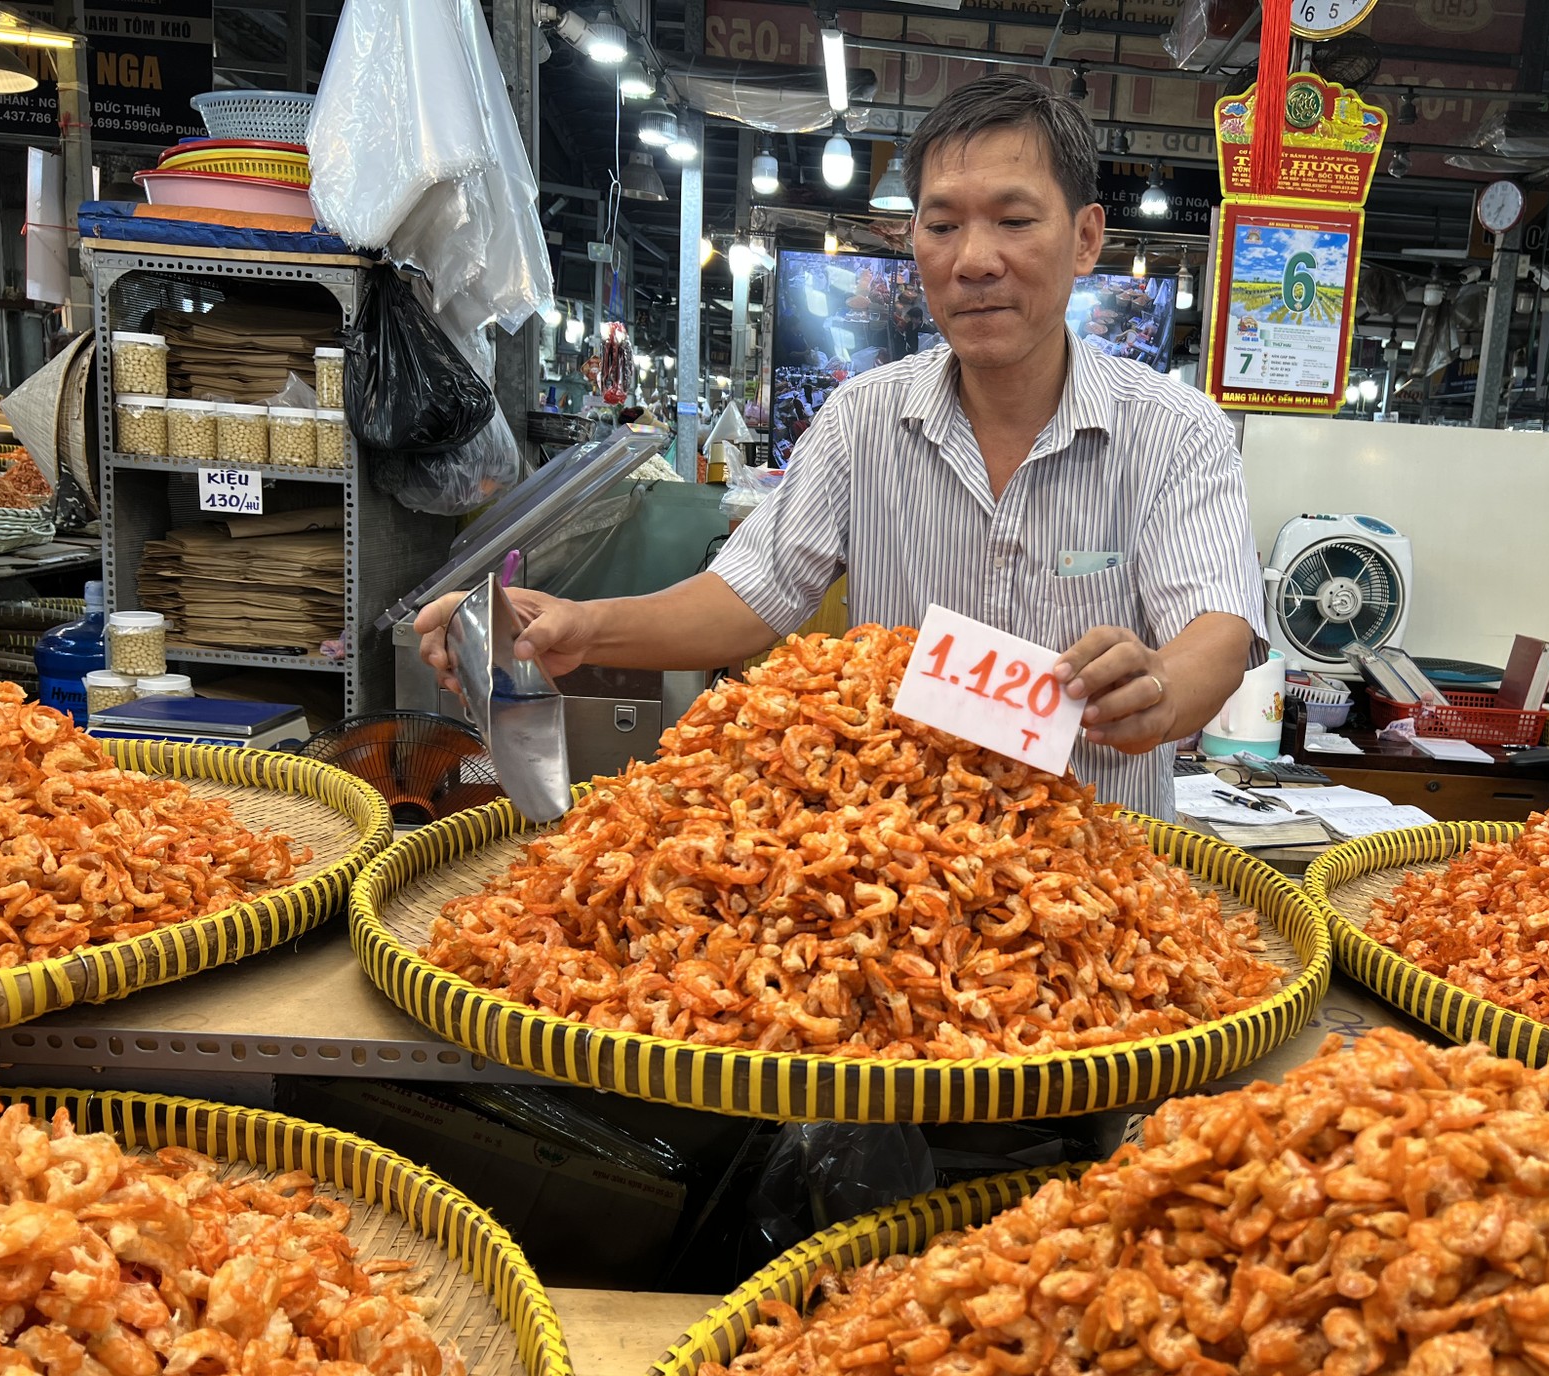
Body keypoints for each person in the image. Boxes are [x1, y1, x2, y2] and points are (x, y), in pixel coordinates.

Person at [417, 74, 1267, 821]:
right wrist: (583, 625)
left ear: (1086, 238)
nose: (975, 260)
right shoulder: (864, 419)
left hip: (1095, 872)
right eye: (942, 226)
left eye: (1014, 219)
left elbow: (1218, 633)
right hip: (894, 864)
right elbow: (749, 595)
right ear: (913, 241)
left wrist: (1157, 688)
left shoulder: (1174, 429)